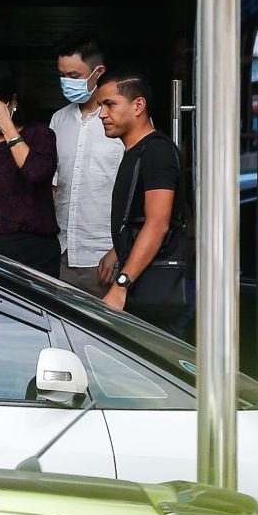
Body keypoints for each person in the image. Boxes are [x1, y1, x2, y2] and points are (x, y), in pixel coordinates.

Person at [96, 71, 189, 336]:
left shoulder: (156, 151)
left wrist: (121, 285)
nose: (102, 114)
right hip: (144, 295)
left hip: (154, 300)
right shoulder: (136, 151)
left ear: (138, 106)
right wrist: (117, 251)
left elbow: (158, 224)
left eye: (109, 104)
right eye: (101, 105)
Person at [49, 32, 124, 297]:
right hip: (61, 255)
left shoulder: (122, 123)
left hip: (105, 259)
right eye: (62, 75)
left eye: (74, 77)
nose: (66, 83)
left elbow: (139, 194)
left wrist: (118, 251)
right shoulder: (58, 120)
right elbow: (54, 187)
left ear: (98, 72)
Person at [0, 61, 60, 277]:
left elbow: (35, 172)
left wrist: (7, 126)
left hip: (33, 248)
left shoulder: (40, 135)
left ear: (13, 102)